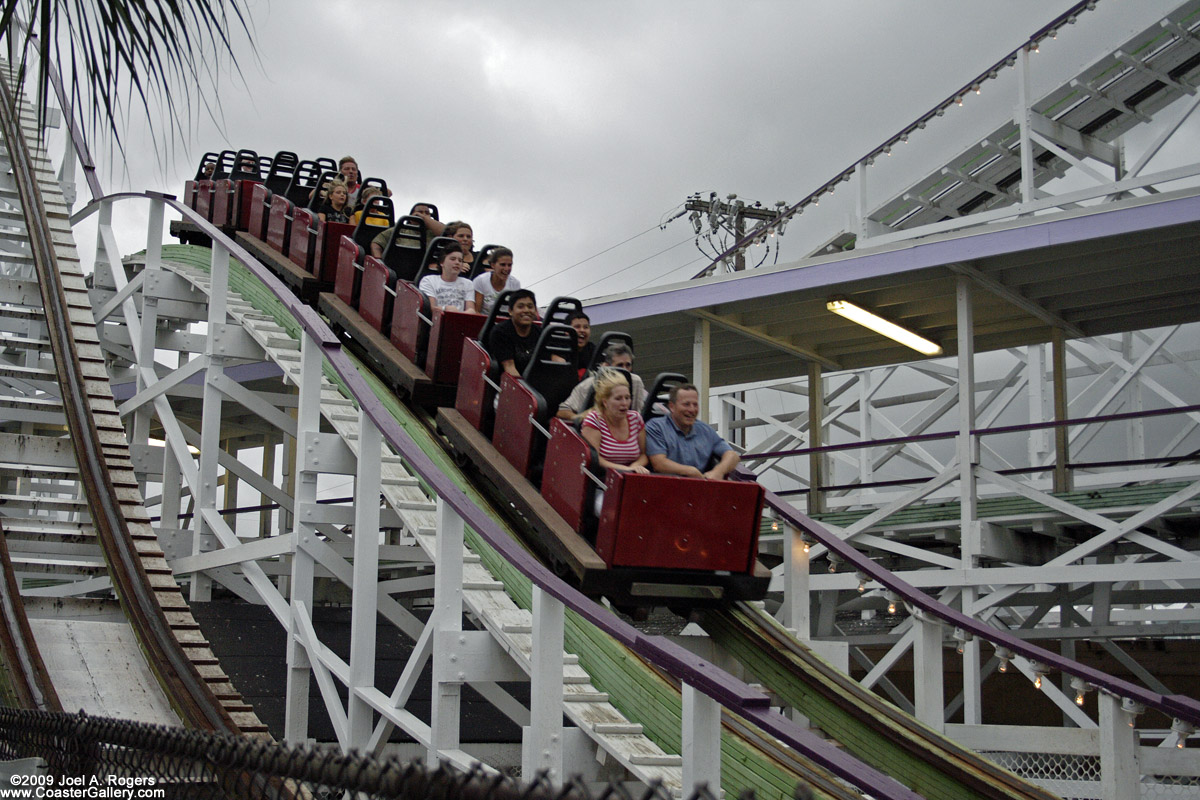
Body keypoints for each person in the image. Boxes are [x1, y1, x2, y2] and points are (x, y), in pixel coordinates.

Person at [581, 371, 649, 514]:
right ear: (605, 401)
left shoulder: (635, 419)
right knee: (614, 513)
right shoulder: (594, 420)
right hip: (602, 485)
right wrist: (623, 470)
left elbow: (644, 455)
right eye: (618, 399)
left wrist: (635, 467)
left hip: (631, 484)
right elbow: (595, 459)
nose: (624, 403)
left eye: (627, 398)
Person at [645, 384, 740, 480]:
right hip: (664, 487)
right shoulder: (656, 427)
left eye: (695, 405)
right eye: (686, 404)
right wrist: (690, 471)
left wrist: (718, 471)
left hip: (699, 488)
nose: (692, 410)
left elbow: (732, 455)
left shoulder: (705, 430)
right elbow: (659, 464)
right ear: (672, 407)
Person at [558, 343, 646, 423]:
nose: (624, 369)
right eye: (620, 365)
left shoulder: (636, 382)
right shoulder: (590, 384)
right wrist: (577, 417)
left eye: (628, 365)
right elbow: (562, 411)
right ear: (606, 366)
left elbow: (640, 415)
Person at [487, 288, 540, 376]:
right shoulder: (500, 332)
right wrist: (525, 389)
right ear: (510, 311)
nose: (526, 310)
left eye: (530, 307)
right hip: (507, 383)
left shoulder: (540, 333)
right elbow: (509, 367)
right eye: (520, 306)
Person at [417, 243, 476, 312]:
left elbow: (470, 308)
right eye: (453, 259)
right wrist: (445, 309)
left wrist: (470, 312)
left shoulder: (468, 284)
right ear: (442, 262)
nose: (457, 262)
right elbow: (430, 308)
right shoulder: (428, 281)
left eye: (460, 260)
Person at [473, 247, 519, 315]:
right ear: (493, 265)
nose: (506, 269)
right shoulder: (480, 281)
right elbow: (476, 311)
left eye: (509, 265)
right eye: (502, 265)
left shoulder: (515, 284)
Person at [569, 311, 594, 378]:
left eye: (586, 327)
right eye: (577, 327)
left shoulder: (593, 350)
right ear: (566, 331)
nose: (582, 330)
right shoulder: (559, 348)